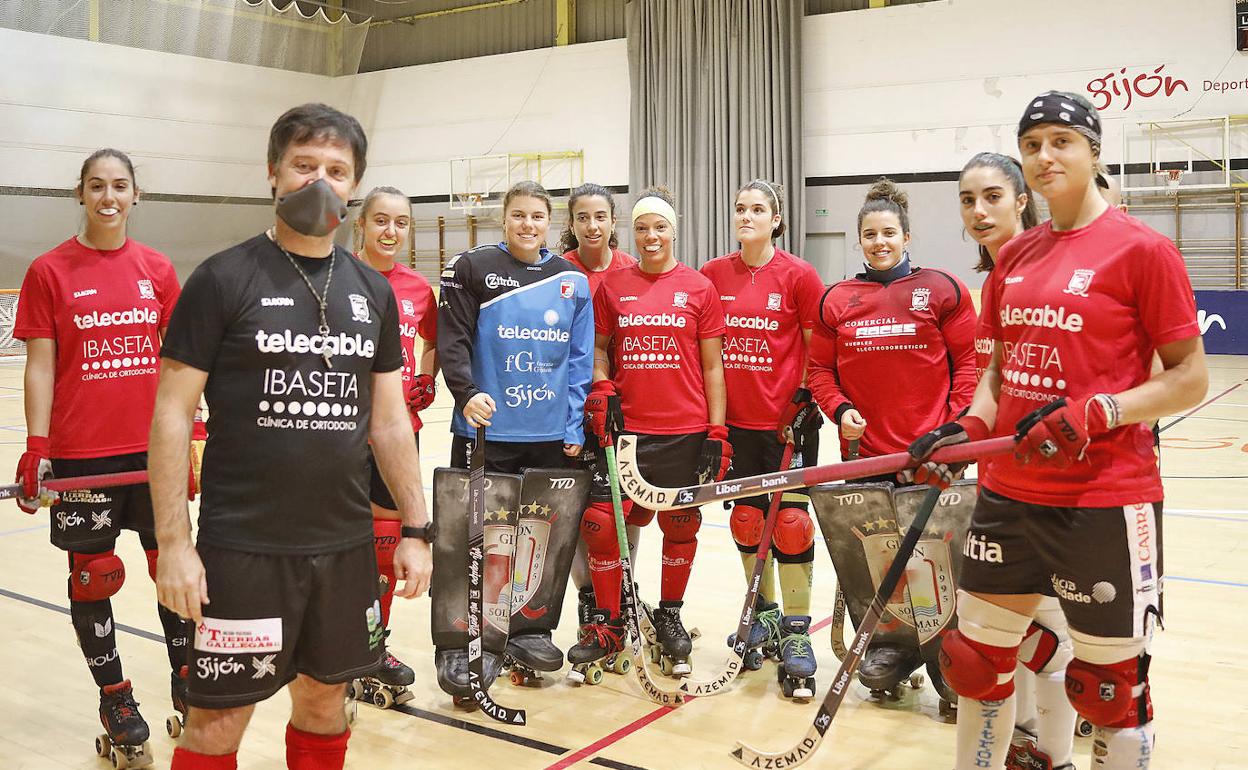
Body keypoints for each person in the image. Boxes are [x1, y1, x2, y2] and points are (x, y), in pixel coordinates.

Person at [908, 91, 1208, 770]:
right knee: (975, 666)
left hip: (1102, 499)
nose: (1045, 156)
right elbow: (997, 373)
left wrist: (1100, 411)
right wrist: (967, 426)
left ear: (1093, 151)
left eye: (1061, 142)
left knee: (1109, 694)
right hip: (1009, 495)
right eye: (1033, 143)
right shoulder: (1016, 258)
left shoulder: (1142, 250)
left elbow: (1188, 376)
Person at [149, 103, 433, 770]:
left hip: (343, 547)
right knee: (216, 724)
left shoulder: (374, 293)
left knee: (326, 705)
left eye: (336, 170)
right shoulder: (223, 278)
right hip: (244, 548)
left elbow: (389, 420)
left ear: (354, 187)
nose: (319, 182)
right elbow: (170, 415)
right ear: (273, 173)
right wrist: (172, 543)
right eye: (304, 166)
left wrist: (417, 529)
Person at [13, 148, 185, 766]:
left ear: (136, 195)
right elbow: (40, 364)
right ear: (80, 194)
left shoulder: (158, 270)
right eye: (96, 186)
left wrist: (196, 426)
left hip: (154, 453)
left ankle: (188, 684)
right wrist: (37, 447)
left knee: (175, 570)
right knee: (96, 578)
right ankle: (116, 697)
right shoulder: (48, 271)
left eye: (119, 186)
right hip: (84, 455)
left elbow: (179, 363)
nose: (108, 197)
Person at [806, 177, 977, 696]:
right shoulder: (838, 298)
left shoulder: (944, 289)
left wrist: (953, 429)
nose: (880, 243)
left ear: (906, 235)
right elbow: (820, 373)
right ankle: (891, 646)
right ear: (858, 240)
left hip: (934, 453)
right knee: (878, 556)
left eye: (889, 233)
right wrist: (841, 410)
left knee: (940, 556)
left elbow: (968, 365)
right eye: (870, 235)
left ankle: (948, 654)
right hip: (868, 456)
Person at [434, 180, 594, 691]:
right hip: (485, 430)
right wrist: (464, 393)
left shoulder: (572, 280)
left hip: (547, 434)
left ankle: (527, 629)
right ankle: (460, 641)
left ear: (552, 223)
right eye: (519, 215)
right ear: (504, 218)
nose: (529, 225)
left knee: (538, 537)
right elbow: (452, 340)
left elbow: (579, 359)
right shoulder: (472, 269)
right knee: (471, 538)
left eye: (538, 217)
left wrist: (572, 423)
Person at [573, 186, 728, 676]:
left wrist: (717, 431)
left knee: (680, 527)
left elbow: (713, 368)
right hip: (629, 431)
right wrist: (603, 386)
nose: (651, 236)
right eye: (642, 227)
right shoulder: (614, 286)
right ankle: (610, 622)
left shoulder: (699, 288)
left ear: (674, 230)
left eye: (659, 226)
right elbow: (599, 350)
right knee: (601, 524)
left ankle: (670, 615)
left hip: (684, 429)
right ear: (631, 232)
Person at [961, 153, 1082, 768]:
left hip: (1062, 488)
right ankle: (1028, 736)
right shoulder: (992, 277)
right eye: (968, 200)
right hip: (1001, 479)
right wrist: (962, 432)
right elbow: (994, 379)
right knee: (1000, 642)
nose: (979, 212)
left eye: (993, 198)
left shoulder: (1054, 267)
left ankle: (1052, 753)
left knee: (1053, 638)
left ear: (1021, 199)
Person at [699, 179, 825, 697]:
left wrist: (803, 400)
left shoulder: (799, 275)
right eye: (740, 208)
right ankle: (767, 614)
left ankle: (798, 630)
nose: (746, 216)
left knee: (790, 524)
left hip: (786, 425)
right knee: (750, 522)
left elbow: (818, 347)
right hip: (737, 425)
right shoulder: (713, 274)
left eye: (758, 209)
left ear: (776, 219)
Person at [351, 186, 439, 704]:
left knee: (387, 552)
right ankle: (332, 648)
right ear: (361, 225)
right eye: (380, 221)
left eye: (401, 223)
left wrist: (426, 376)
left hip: (397, 433)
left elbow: (430, 338)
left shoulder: (417, 289)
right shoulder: (339, 275)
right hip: (340, 434)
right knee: (343, 550)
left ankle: (372, 648)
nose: (390, 231)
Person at [555, 182, 642, 668]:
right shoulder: (558, 272)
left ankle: (624, 600)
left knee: (623, 515)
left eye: (601, 217)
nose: (592, 226)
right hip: (572, 413)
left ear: (613, 222)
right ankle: (592, 604)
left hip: (623, 412)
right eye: (583, 217)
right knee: (585, 519)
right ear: (572, 224)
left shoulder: (632, 269)